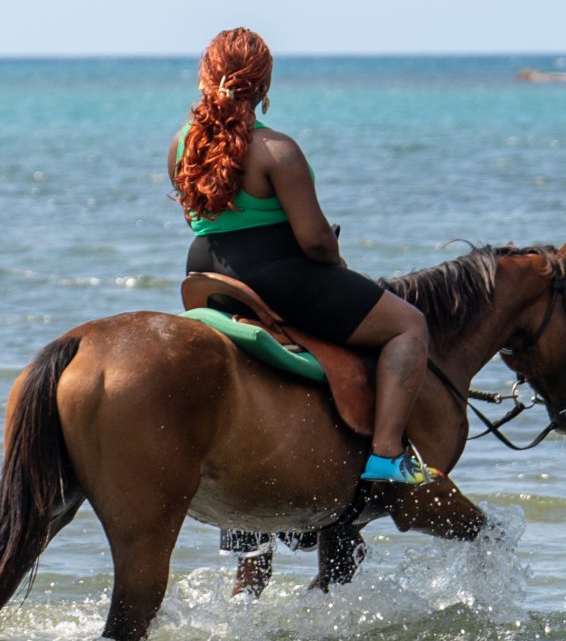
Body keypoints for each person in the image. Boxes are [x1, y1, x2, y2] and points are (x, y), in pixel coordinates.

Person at [170, 26, 431, 485]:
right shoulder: (277, 150)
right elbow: (313, 241)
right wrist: (335, 257)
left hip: (205, 273)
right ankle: (387, 455)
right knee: (409, 325)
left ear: (205, 79)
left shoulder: (181, 144)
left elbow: (199, 219)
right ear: (264, 87)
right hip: (274, 274)